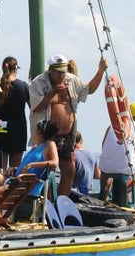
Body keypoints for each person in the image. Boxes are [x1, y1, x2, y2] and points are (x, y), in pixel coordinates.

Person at [28, 52, 107, 197]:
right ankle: (45, 201)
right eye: (58, 72)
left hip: (68, 135)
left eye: (63, 72)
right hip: (48, 135)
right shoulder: (38, 83)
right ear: (50, 70)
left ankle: (61, 201)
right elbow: (36, 107)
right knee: (47, 169)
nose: (61, 76)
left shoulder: (71, 80)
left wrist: (100, 70)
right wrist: (52, 93)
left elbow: (89, 89)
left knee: (69, 169)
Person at [0, 56, 31, 170]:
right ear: (15, 69)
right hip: (18, 128)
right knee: (15, 169)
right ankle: (12, 187)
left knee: (0, 169)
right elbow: (32, 107)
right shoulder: (23, 86)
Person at [100, 106, 135, 207]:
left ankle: (103, 197)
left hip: (105, 168)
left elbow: (103, 145)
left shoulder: (110, 127)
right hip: (126, 169)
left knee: (113, 169)